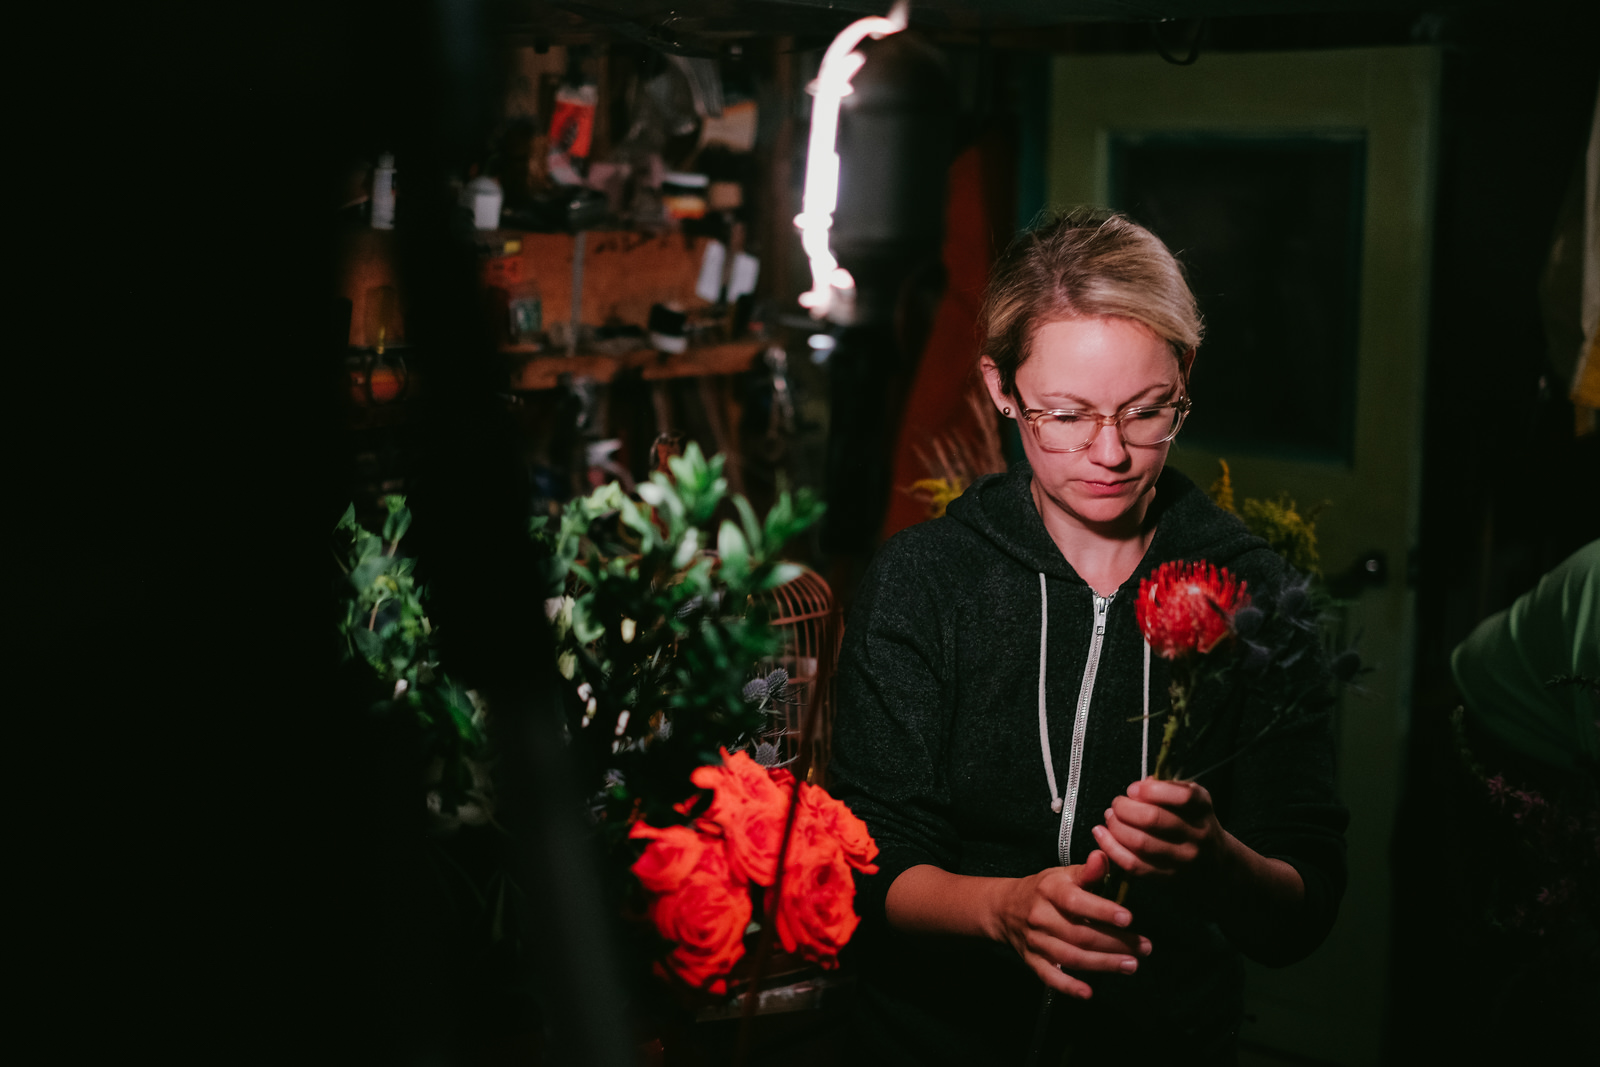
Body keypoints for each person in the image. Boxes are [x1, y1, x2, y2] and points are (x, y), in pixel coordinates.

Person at [829, 209, 1349, 1065]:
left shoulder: (1256, 591)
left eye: (1147, 412)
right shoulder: (926, 580)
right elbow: (868, 864)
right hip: (932, 1041)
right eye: (1064, 415)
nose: (1108, 453)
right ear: (1002, 388)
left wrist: (1219, 859)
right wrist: (1003, 907)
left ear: (1184, 375)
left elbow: (1307, 905)